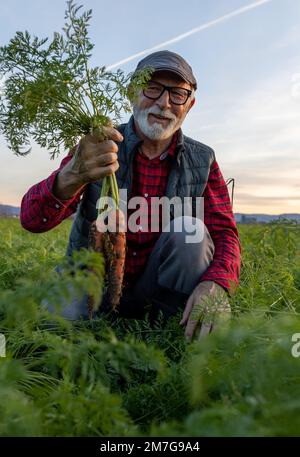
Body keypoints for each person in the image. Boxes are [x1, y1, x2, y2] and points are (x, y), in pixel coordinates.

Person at [20, 50, 241, 341]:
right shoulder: (99, 146)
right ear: (131, 92)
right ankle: (95, 316)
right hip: (91, 281)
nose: (163, 103)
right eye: (152, 88)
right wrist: (73, 173)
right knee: (51, 333)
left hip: (157, 288)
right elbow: (32, 220)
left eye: (177, 94)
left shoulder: (203, 159)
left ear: (190, 104)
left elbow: (225, 233)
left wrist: (217, 283)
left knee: (192, 232)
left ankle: (163, 328)